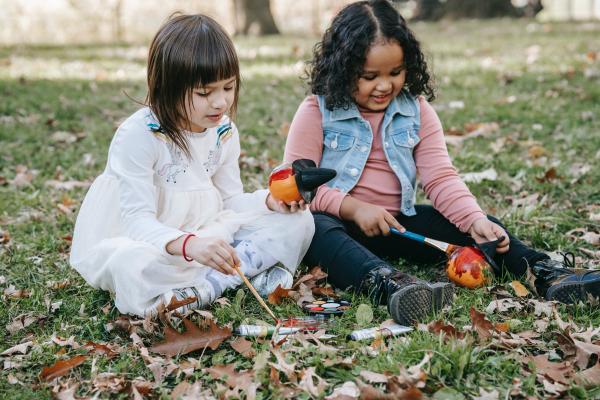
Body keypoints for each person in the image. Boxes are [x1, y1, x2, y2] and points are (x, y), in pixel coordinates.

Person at [284, 0, 600, 326]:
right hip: (336, 226)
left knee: (480, 224)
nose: (384, 85)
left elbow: (440, 179)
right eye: (369, 76)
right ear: (342, 68)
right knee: (316, 228)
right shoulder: (316, 111)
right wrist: (353, 208)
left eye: (396, 72)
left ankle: (546, 275)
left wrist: (474, 220)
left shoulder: (416, 112)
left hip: (398, 225)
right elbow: (297, 186)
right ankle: (392, 284)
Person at [70, 14, 315, 317]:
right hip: (155, 244)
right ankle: (225, 279)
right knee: (129, 264)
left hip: (207, 236)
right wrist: (189, 245)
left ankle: (205, 287)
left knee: (300, 221)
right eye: (204, 92)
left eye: (228, 87)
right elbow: (137, 222)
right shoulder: (139, 136)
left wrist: (269, 202)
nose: (220, 102)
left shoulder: (224, 132)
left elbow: (230, 201)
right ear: (168, 86)